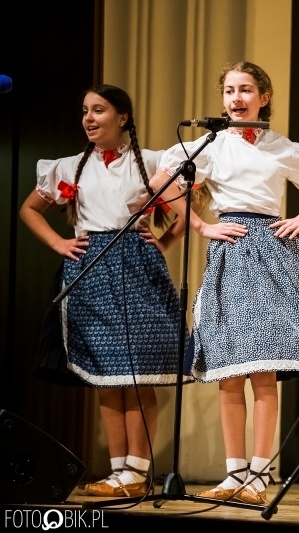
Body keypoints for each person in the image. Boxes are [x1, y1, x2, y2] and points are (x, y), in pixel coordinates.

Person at [149, 61, 299, 506]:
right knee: (229, 374)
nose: (236, 98)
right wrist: (200, 226)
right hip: (230, 251)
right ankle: (234, 474)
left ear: (263, 97)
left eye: (246, 89)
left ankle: (258, 474)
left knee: (263, 369)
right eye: (230, 90)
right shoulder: (209, 146)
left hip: (272, 252)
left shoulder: (284, 148)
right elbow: (159, 184)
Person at [19, 84, 187, 497]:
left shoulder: (151, 163)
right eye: (85, 111)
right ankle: (118, 470)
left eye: (99, 110)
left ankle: (137, 469)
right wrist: (60, 243)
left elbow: (186, 211)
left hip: (136, 267)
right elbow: (29, 209)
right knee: (107, 376)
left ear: (123, 117)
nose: (89, 119)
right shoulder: (69, 166)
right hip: (91, 269)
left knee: (138, 373)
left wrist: (164, 243)